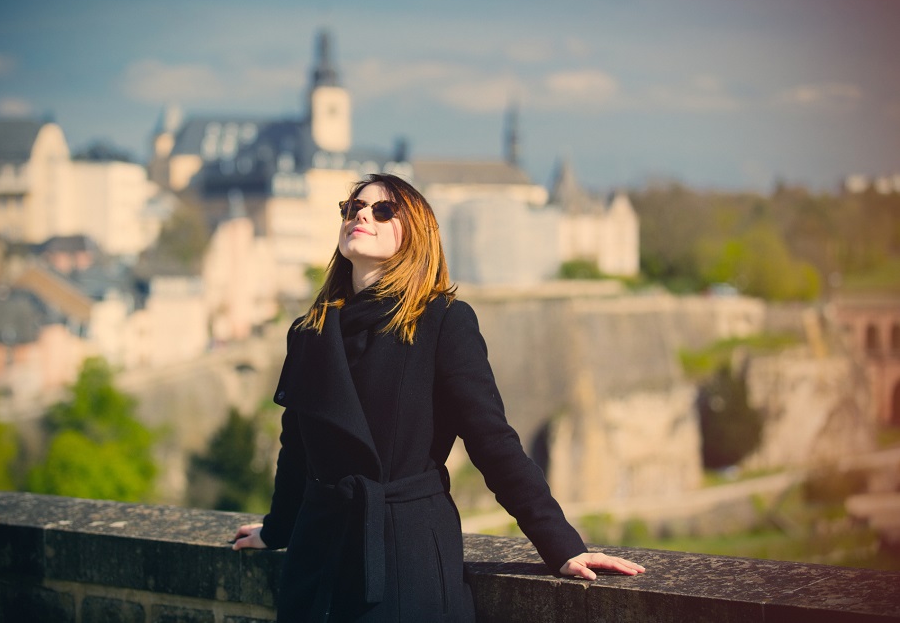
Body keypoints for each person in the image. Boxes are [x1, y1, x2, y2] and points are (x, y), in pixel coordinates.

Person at [233, 173, 644, 622]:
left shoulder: (442, 321)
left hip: (405, 553)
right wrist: (278, 530)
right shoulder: (309, 332)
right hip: (317, 556)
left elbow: (492, 441)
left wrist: (560, 545)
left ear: (416, 234)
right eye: (352, 208)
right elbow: (297, 450)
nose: (361, 215)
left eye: (383, 210)